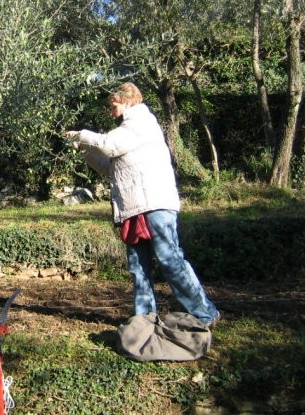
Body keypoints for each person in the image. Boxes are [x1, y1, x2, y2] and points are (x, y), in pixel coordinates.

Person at [66, 82, 220, 327]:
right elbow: (110, 167)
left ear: (126, 101)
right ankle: (144, 320)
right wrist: (85, 150)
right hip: (137, 205)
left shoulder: (140, 121)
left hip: (154, 204)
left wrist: (82, 135)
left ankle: (205, 313)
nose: (110, 111)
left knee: (170, 259)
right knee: (139, 266)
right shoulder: (128, 129)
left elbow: (109, 145)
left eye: (112, 105)